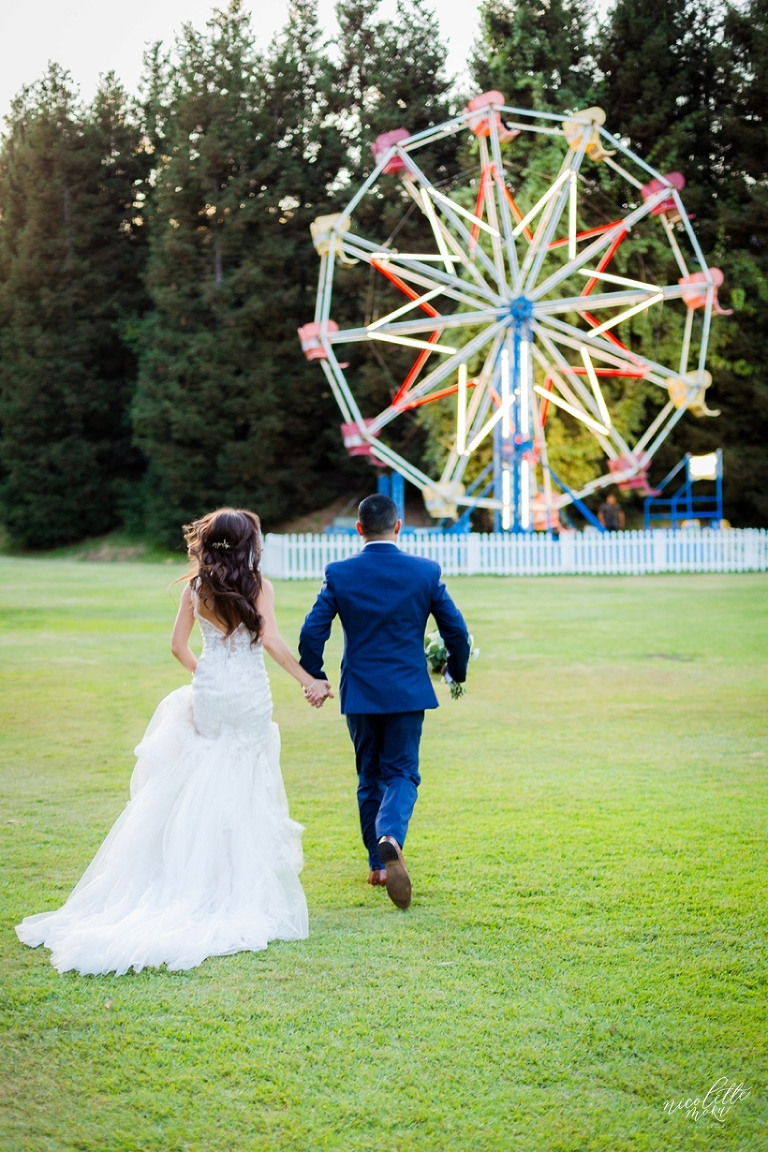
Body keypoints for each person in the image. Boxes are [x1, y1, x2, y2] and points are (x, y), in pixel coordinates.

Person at [16, 508, 332, 976]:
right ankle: (231, 885)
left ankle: (191, 875)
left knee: (202, 776)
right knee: (242, 779)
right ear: (246, 544)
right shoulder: (259, 586)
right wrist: (310, 681)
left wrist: (205, 674)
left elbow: (178, 647)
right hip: (246, 692)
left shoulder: (195, 587)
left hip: (210, 691)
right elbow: (271, 641)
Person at [299, 494, 469, 911]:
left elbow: (311, 631)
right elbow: (457, 631)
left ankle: (377, 866)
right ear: (398, 527)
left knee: (368, 776)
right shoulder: (425, 572)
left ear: (358, 529)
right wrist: (455, 671)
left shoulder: (339, 573)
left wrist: (314, 673)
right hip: (408, 692)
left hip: (359, 693)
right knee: (403, 774)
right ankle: (390, 834)